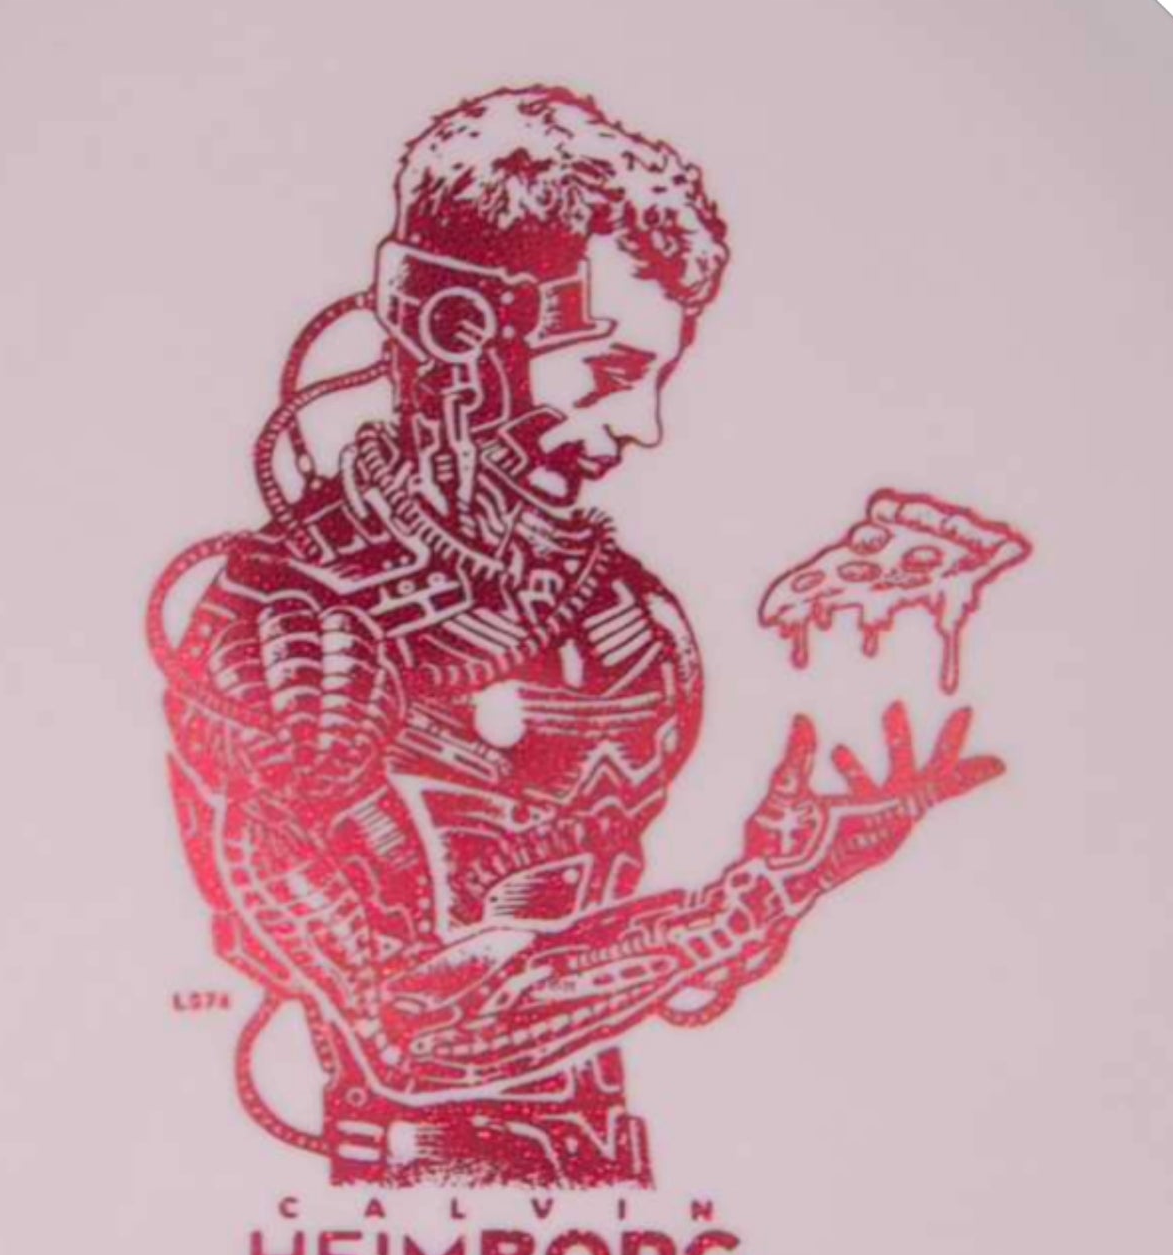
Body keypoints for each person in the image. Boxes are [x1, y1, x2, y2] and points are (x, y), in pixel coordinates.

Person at [150, 86, 999, 1187]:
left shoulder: (629, 629)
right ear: (457, 331)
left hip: (604, 1183)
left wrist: (790, 867)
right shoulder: (283, 627)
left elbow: (653, 979)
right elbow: (408, 1031)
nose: (640, 427)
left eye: (658, 377)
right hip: (409, 1197)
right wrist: (752, 900)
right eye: (608, 371)